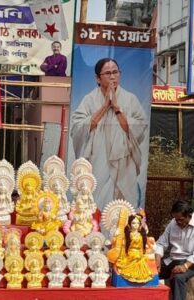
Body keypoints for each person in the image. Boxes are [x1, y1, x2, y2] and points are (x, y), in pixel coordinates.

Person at [70, 58, 148, 211]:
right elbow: (79, 127)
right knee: (96, 200)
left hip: (124, 161)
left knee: (123, 205)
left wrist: (117, 108)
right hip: (98, 158)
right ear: (98, 79)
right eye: (108, 73)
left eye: (115, 72)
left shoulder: (130, 99)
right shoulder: (89, 99)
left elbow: (138, 128)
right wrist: (105, 106)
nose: (113, 77)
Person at [155, 200, 194, 300]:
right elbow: (161, 243)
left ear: (189, 215)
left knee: (178, 278)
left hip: (190, 263)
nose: (178, 222)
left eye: (180, 219)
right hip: (173, 260)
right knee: (151, 271)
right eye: (176, 219)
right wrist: (157, 259)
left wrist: (185, 266)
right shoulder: (173, 223)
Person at [115, 214, 153, 283]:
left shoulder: (141, 235)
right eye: (133, 223)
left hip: (139, 255)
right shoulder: (127, 235)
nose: (136, 225)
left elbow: (142, 247)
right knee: (134, 260)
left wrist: (142, 254)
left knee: (142, 265)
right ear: (129, 224)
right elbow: (124, 247)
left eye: (138, 223)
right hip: (130, 254)